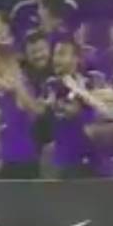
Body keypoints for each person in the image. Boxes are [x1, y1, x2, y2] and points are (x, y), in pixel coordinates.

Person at [0, 40, 43, 179]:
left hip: (22, 163)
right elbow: (9, 125)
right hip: (12, 160)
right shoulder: (12, 83)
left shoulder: (14, 83)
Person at [43, 40, 96, 179]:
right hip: (59, 160)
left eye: (62, 54)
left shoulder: (88, 83)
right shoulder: (51, 84)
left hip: (84, 160)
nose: (56, 59)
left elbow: (74, 111)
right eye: (55, 54)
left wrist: (55, 104)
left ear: (76, 59)